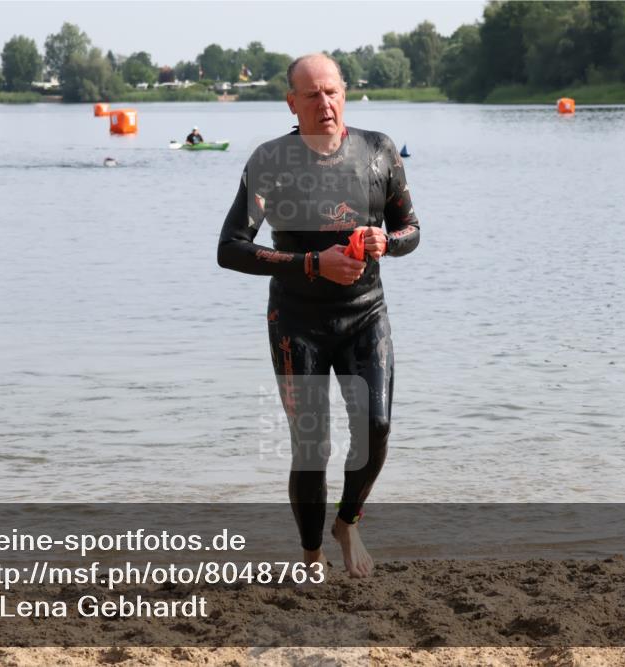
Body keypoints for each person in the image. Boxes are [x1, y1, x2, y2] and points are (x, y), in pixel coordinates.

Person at [217, 53, 419, 578]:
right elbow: (231, 249)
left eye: (331, 91)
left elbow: (412, 230)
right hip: (297, 322)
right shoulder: (271, 162)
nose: (324, 103)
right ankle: (311, 555)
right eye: (311, 94)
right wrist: (312, 263)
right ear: (292, 102)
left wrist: (386, 241)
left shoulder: (379, 151)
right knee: (313, 447)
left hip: (365, 314)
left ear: (344, 94)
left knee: (376, 429)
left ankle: (347, 522)